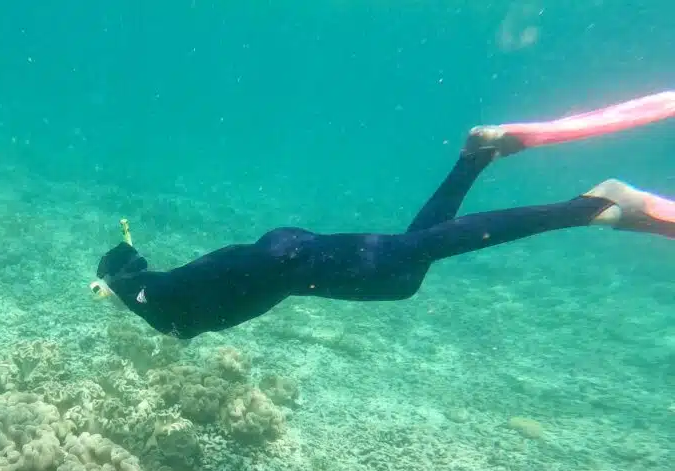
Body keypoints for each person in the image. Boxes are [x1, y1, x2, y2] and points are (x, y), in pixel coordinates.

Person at [91, 91, 675, 340]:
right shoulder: (150, 288)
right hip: (289, 250)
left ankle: (591, 207)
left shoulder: (155, 305)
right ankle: (474, 160)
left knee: (420, 253)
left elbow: (165, 312)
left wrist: (115, 287)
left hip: (302, 264)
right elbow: (137, 270)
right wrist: (118, 274)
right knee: (415, 250)